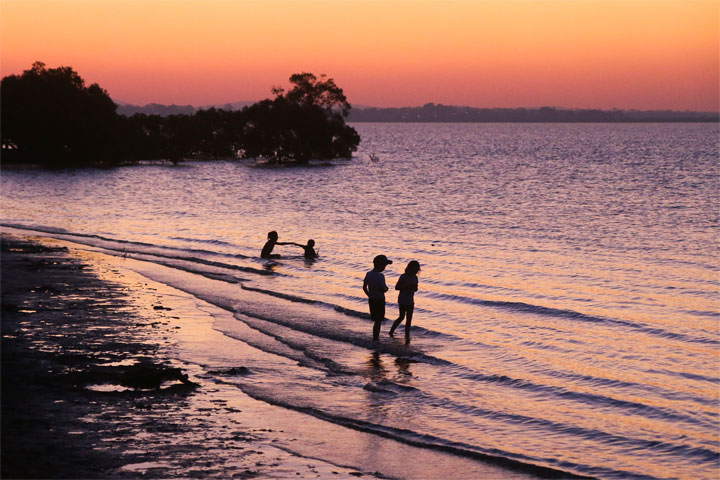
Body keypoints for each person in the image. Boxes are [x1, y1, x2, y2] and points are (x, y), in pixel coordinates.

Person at [363, 255, 393, 342]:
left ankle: (375, 338)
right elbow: (383, 289)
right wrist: (387, 288)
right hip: (379, 300)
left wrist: (369, 295)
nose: (385, 268)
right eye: (384, 266)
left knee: (376, 320)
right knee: (378, 321)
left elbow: (364, 287)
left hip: (372, 300)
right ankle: (375, 339)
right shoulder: (380, 276)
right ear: (381, 265)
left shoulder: (368, 274)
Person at [389, 260, 420, 343]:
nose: (416, 272)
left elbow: (416, 289)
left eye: (417, 270)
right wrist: (407, 286)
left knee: (409, 319)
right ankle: (391, 331)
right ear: (410, 269)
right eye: (414, 270)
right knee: (402, 317)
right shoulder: (403, 276)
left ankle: (407, 336)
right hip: (402, 300)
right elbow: (397, 287)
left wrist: (414, 287)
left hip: (410, 301)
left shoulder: (415, 277)